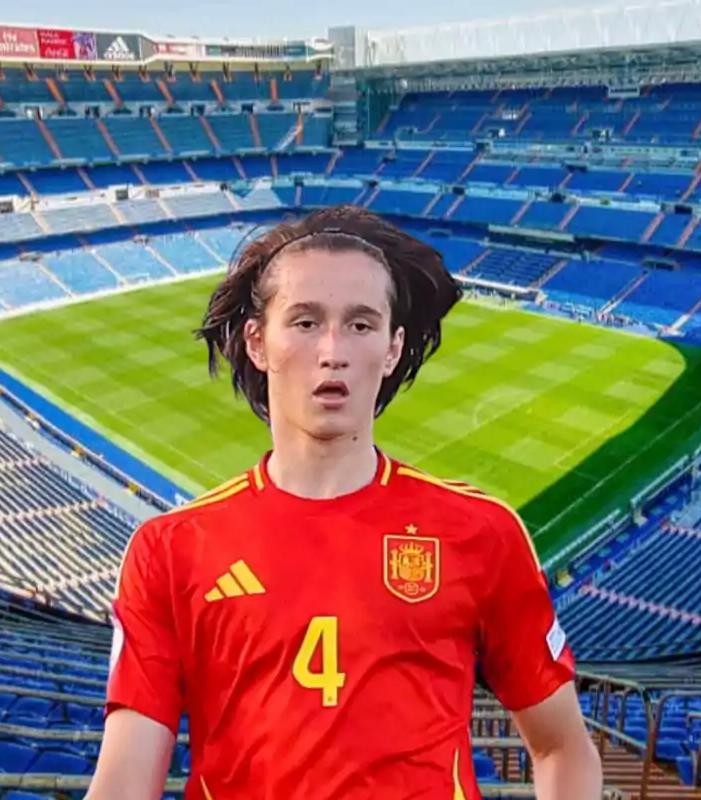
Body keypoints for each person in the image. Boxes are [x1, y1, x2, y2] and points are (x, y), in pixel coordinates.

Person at [87, 205, 602, 799]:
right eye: (305, 322)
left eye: (360, 325)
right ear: (258, 341)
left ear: (391, 348)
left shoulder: (481, 531)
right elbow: (124, 782)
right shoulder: (170, 549)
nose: (333, 350)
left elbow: (563, 747)